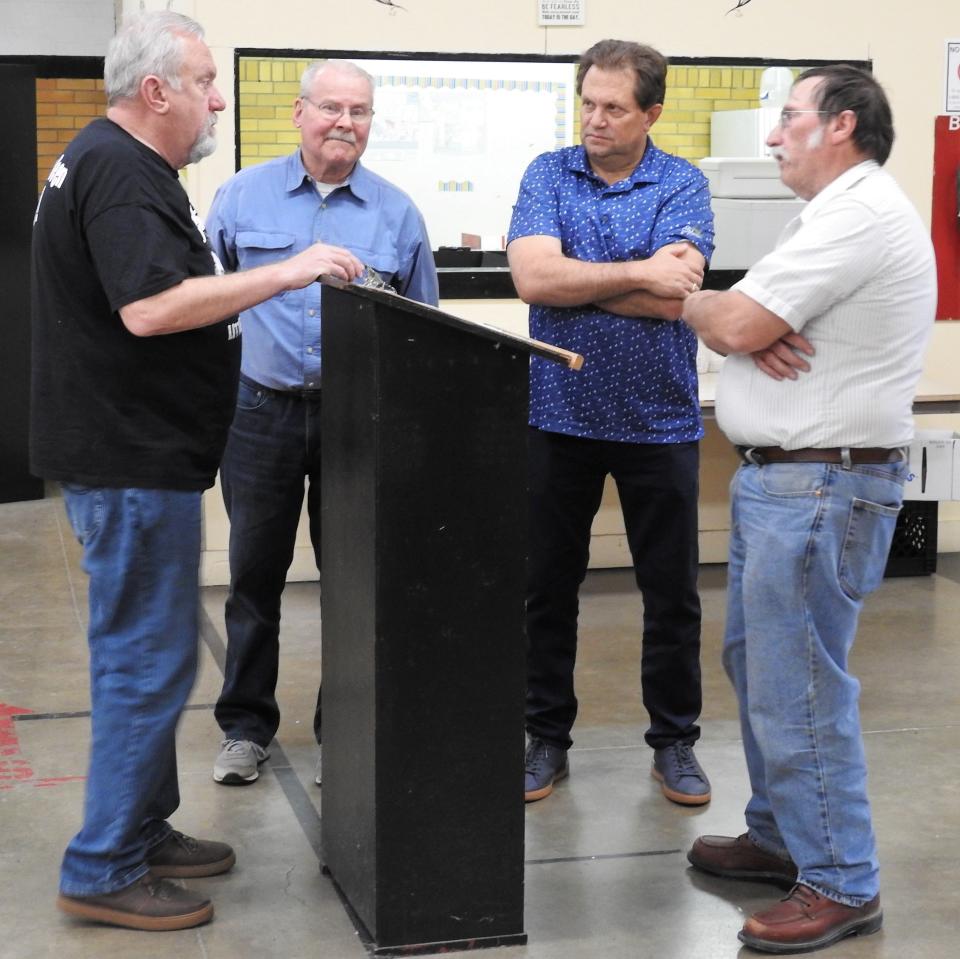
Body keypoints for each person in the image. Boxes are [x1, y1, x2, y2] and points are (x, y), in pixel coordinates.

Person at [30, 12, 363, 932]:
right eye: (208, 81)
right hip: (129, 460)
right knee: (148, 660)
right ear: (157, 91)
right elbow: (151, 308)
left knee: (145, 652)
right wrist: (286, 272)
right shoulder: (122, 172)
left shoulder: (115, 163)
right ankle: (102, 866)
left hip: (135, 455)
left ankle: (140, 828)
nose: (219, 97)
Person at [682, 65, 936, 954]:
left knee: (801, 685)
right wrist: (729, 314)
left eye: (788, 117)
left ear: (842, 125)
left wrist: (710, 307)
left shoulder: (858, 214)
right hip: (788, 481)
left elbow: (740, 326)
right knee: (761, 667)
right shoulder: (830, 214)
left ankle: (843, 879)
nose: (774, 135)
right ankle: (783, 834)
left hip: (819, 487)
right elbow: (743, 320)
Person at [205, 59, 438, 786]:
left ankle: (348, 723)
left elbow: (423, 332)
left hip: (355, 423)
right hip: (260, 414)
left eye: (360, 111)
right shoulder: (240, 197)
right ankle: (246, 727)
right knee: (253, 576)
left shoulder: (397, 213)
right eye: (332, 107)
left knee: (356, 579)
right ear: (299, 113)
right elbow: (209, 304)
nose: (345, 122)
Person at [507, 39, 715, 806]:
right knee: (545, 587)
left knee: (671, 594)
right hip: (555, 416)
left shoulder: (683, 182)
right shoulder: (546, 173)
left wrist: (576, 284)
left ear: (651, 112)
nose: (595, 119)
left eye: (614, 107)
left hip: (660, 423)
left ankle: (675, 744)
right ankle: (544, 737)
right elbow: (532, 276)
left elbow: (676, 298)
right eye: (587, 103)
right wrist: (632, 271)